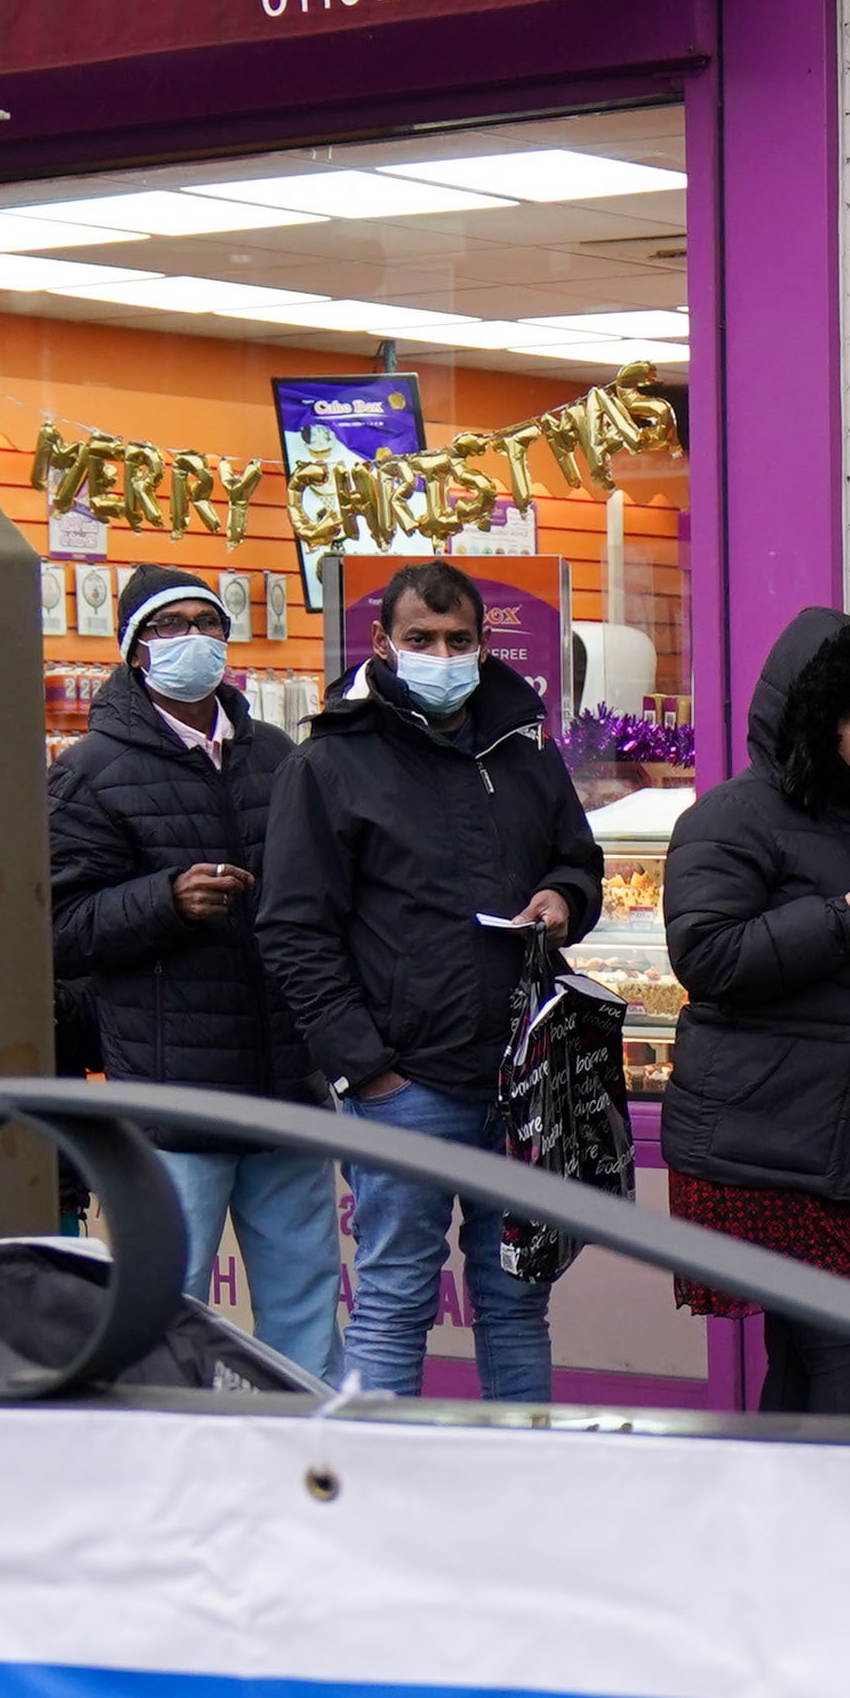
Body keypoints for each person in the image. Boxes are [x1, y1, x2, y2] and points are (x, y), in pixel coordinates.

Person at [255, 562, 600, 1403]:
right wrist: (365, 1066)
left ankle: (525, 1489)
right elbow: (293, 928)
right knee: (394, 1297)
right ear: (383, 643)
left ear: (484, 645)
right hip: (407, 1089)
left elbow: (578, 860)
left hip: (521, 1078)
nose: (442, 654)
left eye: (459, 640)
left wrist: (564, 898)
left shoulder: (522, 749)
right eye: (421, 640)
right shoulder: (331, 763)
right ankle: (376, 1498)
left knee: (518, 1301)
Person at [657, 608, 850, 1420]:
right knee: (844, 1347)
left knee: (807, 1351)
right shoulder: (728, 817)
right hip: (773, 1136)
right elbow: (709, 957)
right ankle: (849, 1530)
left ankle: (780, 1526)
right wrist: (846, 916)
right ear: (815, 711)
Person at [49, 569, 337, 1379]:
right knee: (161, 1307)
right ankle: (156, 1471)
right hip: (174, 1096)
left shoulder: (277, 757)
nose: (195, 638)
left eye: (207, 621)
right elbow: (58, 930)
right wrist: (164, 900)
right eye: (171, 625)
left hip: (284, 1084)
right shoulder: (88, 771)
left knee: (308, 1300)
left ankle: (307, 1467)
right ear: (137, 652)